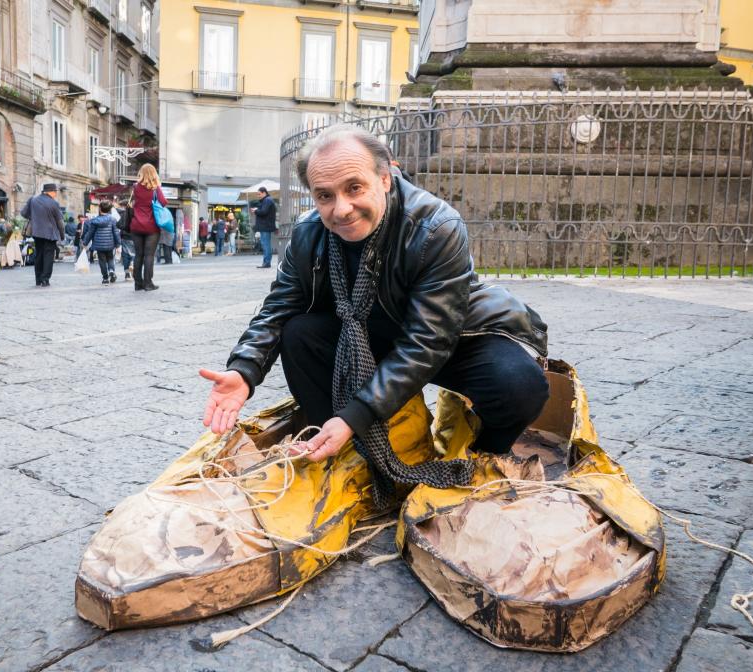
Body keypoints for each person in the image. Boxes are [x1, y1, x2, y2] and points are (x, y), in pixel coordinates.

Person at [199, 124, 549, 509]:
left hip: (451, 336)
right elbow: (279, 308)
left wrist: (357, 413)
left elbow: (427, 342)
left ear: (385, 177)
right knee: (298, 332)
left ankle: (486, 451)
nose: (341, 209)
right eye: (325, 196)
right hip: (368, 336)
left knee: (521, 384)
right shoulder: (308, 234)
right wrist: (244, 371)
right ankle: (340, 445)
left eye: (354, 188)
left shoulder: (437, 227)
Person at [129, 164, 167, 292]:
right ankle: (148, 283)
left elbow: (131, 203)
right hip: (151, 227)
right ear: (154, 174)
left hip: (136, 226)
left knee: (138, 255)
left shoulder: (135, 187)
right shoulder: (156, 189)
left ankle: (137, 283)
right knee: (149, 256)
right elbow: (164, 202)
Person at [20, 184, 64, 287]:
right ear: (51, 192)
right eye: (55, 192)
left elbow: (23, 213)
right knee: (48, 257)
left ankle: (38, 280)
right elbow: (60, 222)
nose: (56, 194)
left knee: (39, 255)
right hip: (50, 234)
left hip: (37, 233)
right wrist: (62, 236)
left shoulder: (32, 200)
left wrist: (34, 216)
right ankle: (45, 279)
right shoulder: (54, 203)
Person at [81, 200, 122, 285]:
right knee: (110, 258)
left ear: (100, 209)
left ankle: (105, 278)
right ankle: (111, 270)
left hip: (99, 245)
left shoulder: (94, 221)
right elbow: (116, 233)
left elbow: (90, 233)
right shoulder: (113, 220)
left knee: (102, 261)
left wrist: (85, 243)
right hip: (110, 244)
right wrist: (118, 245)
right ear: (109, 210)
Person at [251, 186, 276, 268]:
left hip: (265, 226)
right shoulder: (267, 200)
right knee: (265, 244)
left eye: (259, 194)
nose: (258, 196)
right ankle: (266, 262)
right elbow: (264, 211)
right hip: (265, 226)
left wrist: (255, 211)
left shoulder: (267, 200)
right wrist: (257, 209)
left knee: (266, 245)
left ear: (264, 193)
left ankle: (267, 263)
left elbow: (263, 212)